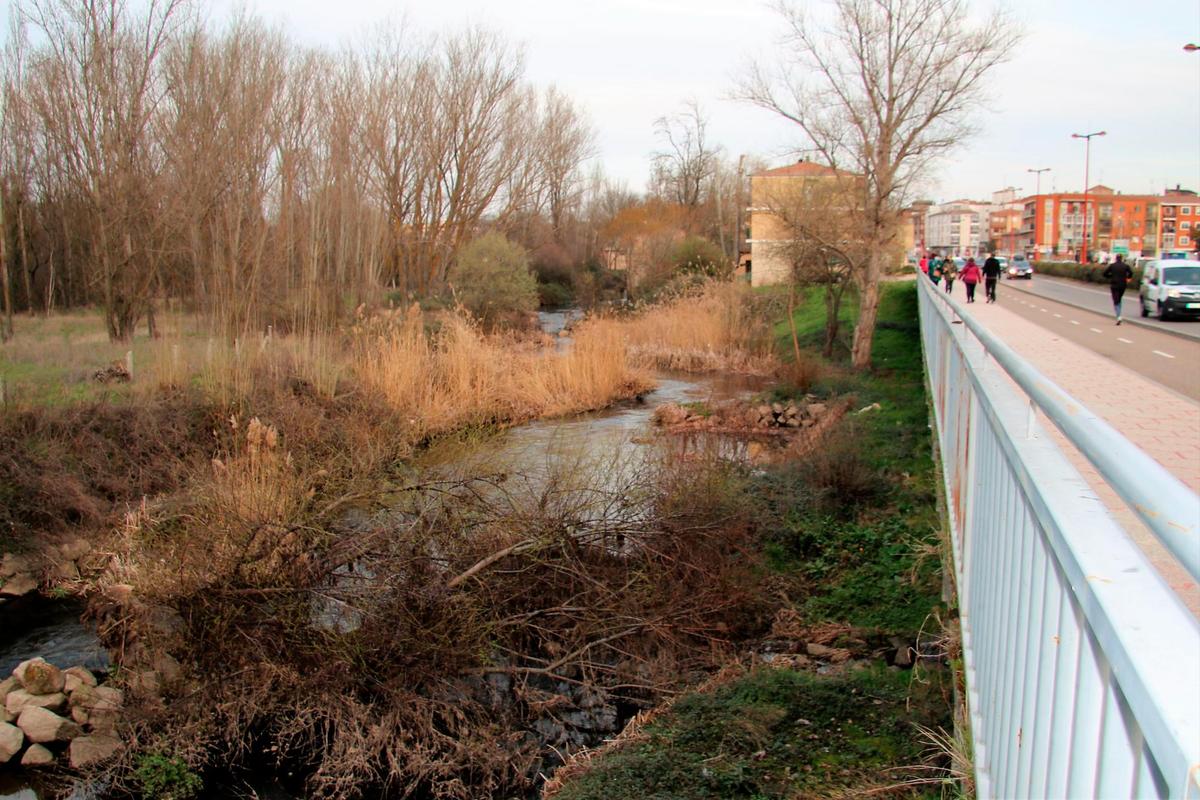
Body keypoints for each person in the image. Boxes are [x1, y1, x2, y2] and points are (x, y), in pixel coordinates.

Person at [1102, 254, 1134, 325]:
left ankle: (1118, 316)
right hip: (1123, 285)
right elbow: (1131, 273)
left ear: (1116, 258)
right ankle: (1119, 314)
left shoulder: (1112, 266)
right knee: (1119, 299)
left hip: (1114, 285)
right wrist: (1128, 278)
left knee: (1116, 301)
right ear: (1121, 259)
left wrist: (1110, 276)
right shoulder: (1125, 266)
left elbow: (1104, 274)